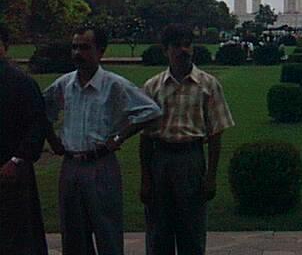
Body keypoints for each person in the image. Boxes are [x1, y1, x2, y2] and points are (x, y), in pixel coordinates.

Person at [43, 26, 162, 255]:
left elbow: (151, 111)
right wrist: (54, 141)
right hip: (71, 165)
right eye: (74, 47)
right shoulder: (65, 84)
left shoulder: (114, 85)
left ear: (101, 51)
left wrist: (120, 136)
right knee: (73, 235)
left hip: (101, 165)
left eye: (85, 48)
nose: (78, 53)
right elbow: (40, 109)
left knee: (107, 232)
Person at [141, 24, 234, 255]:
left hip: (191, 159)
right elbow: (145, 138)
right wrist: (146, 178)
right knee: (158, 232)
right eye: (177, 45)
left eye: (187, 45)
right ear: (166, 50)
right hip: (160, 158)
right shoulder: (153, 87)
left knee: (192, 232)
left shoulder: (208, 85)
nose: (183, 50)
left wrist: (210, 177)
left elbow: (216, 135)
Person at [0, 24, 49, 255]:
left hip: (11, 171)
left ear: (5, 46)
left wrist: (17, 160)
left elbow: (37, 125)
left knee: (17, 237)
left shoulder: (21, 82)